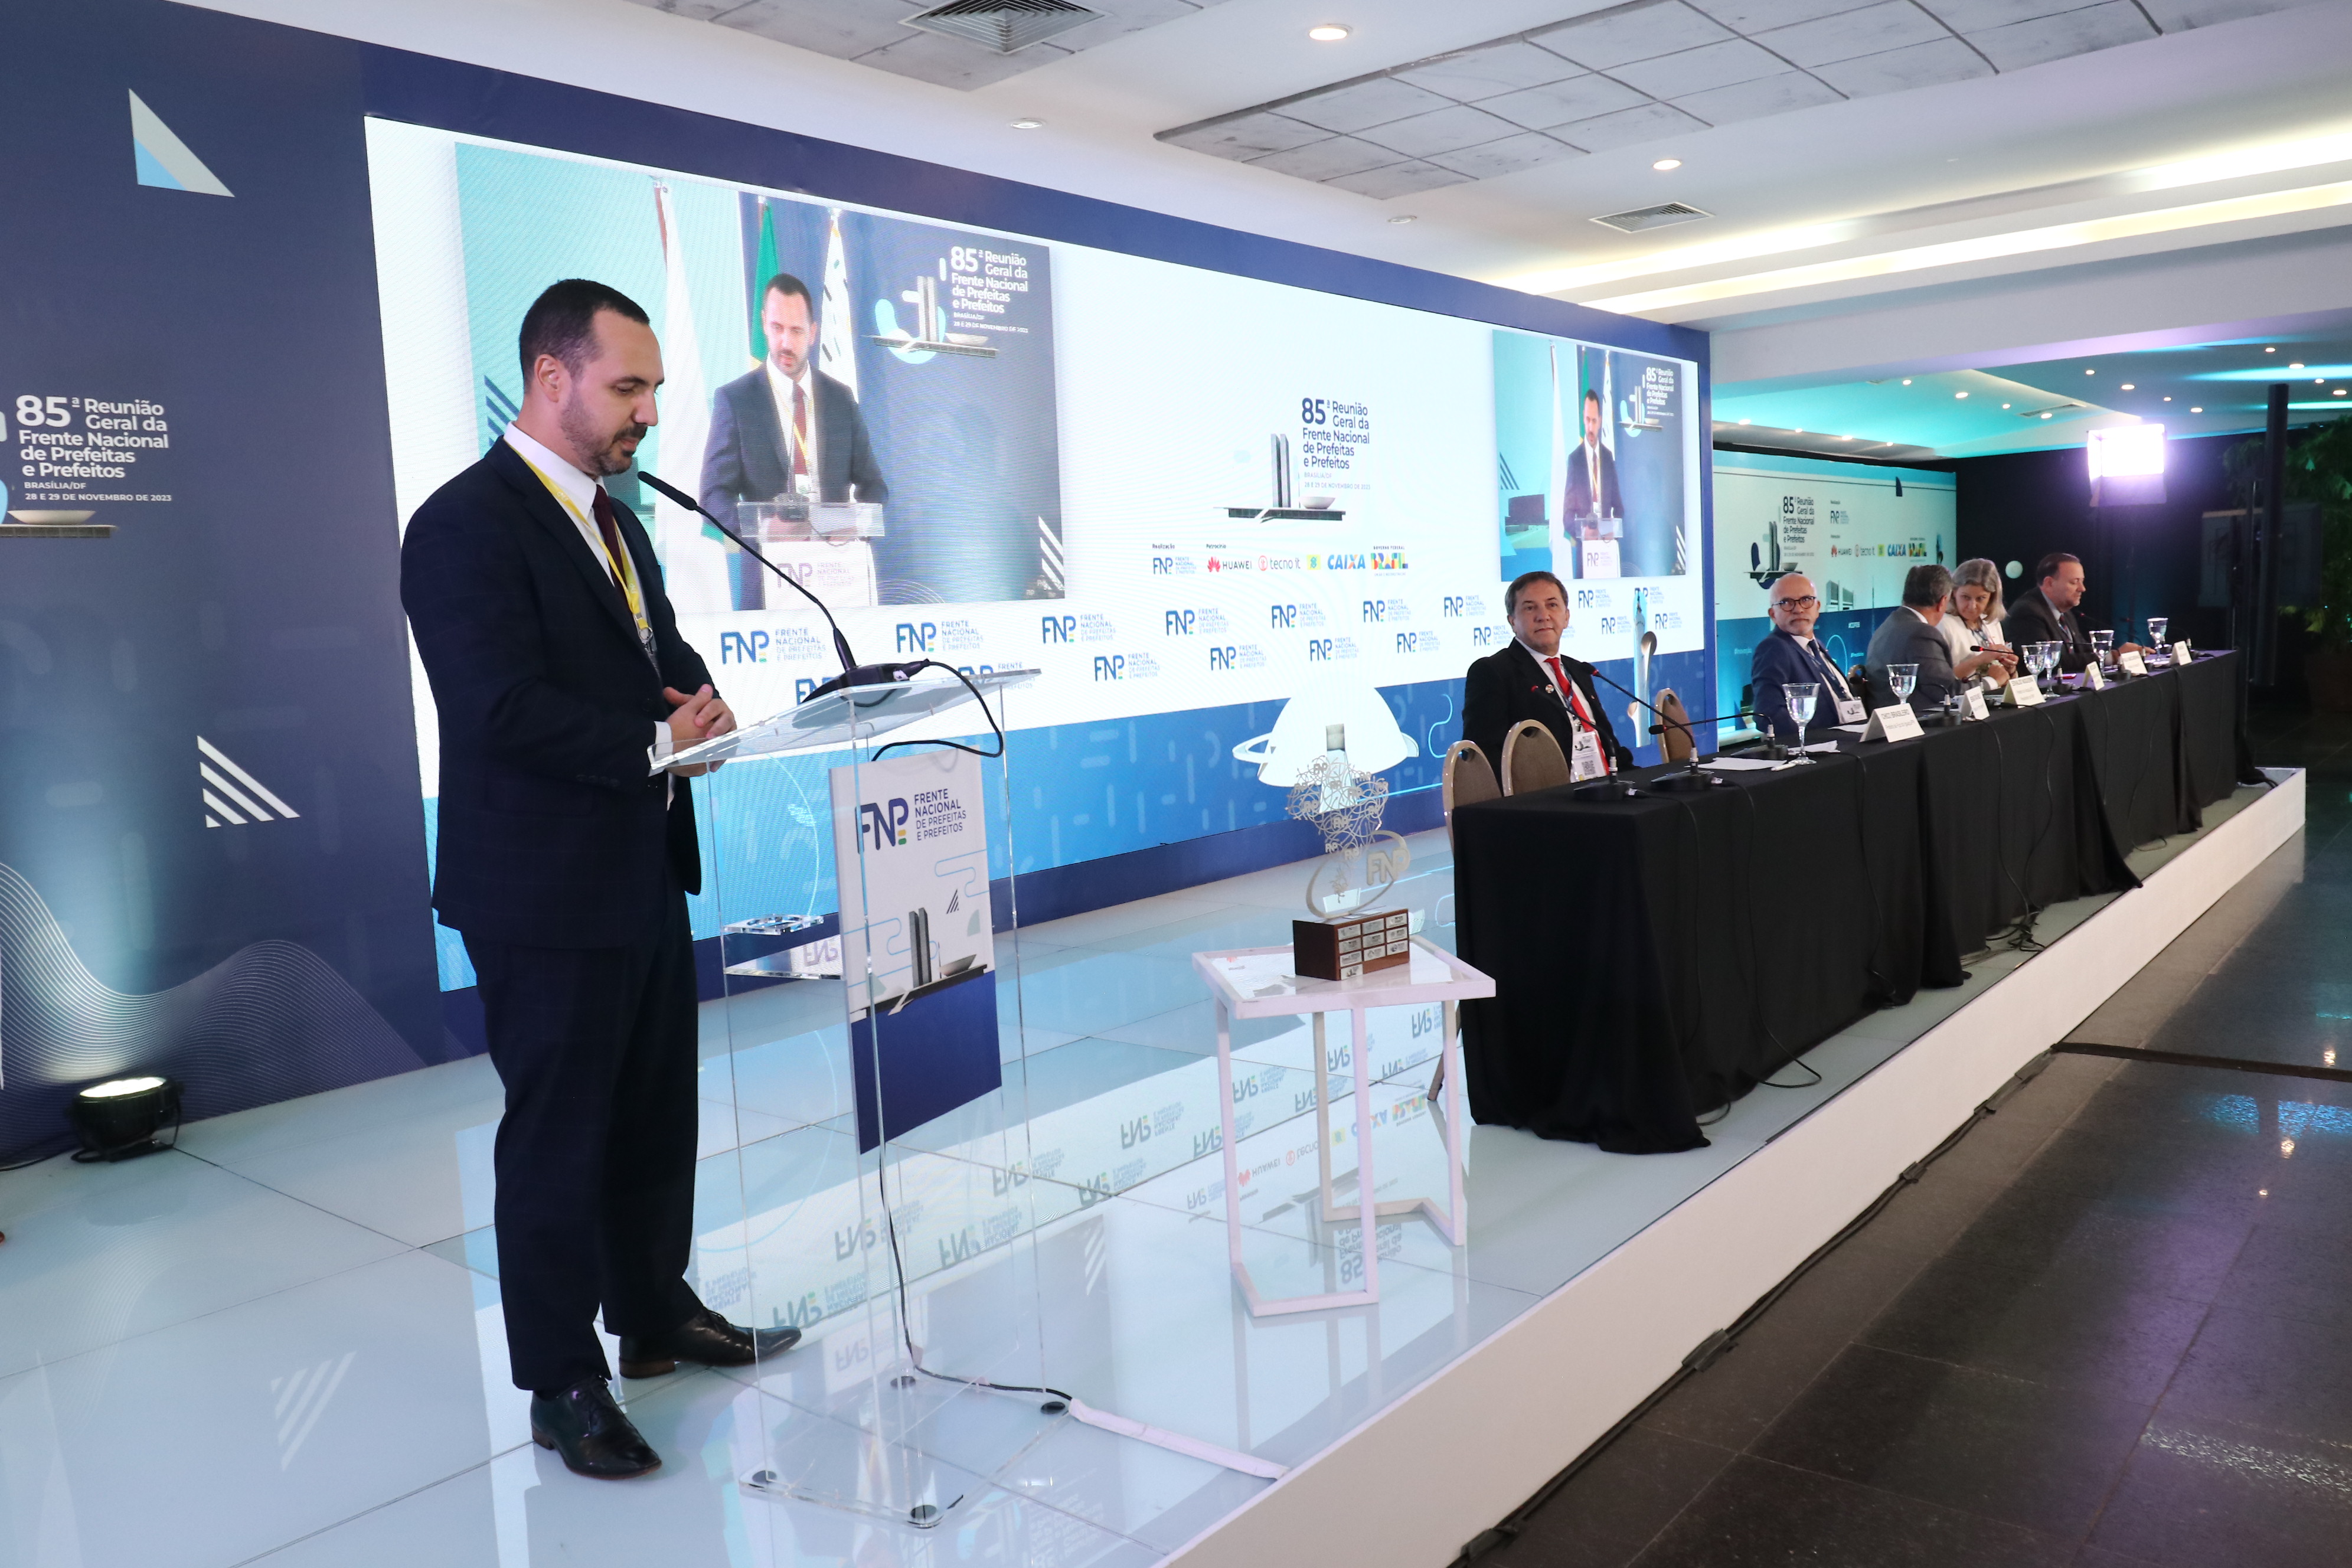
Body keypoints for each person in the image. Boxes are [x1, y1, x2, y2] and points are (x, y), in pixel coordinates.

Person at [402, 279, 799, 1484]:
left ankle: (653, 1311)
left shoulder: (618, 522)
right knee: (560, 1137)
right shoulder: (464, 524)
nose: (649, 413)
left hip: (637, 864)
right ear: (550, 377)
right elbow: (496, 706)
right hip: (539, 888)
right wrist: (647, 742)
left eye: (655, 390)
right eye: (629, 387)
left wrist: (698, 710)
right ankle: (561, 1379)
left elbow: (658, 657)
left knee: (653, 1114)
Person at [700, 272, 890, 605]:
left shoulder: (841, 399)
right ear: (764, 323)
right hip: (769, 580)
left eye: (796, 331)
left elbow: (874, 486)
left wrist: (854, 526)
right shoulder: (736, 400)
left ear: (813, 333)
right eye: (777, 328)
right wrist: (764, 528)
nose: (785, 343)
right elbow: (713, 496)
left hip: (838, 577)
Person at [1464, 570, 1630, 783]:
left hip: (1606, 789)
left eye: (1552, 605)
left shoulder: (1579, 670)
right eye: (1530, 608)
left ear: (1566, 617)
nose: (1543, 616)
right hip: (1550, 797)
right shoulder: (1493, 671)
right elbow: (1484, 757)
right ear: (1512, 621)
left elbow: (1610, 745)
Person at [1747, 572, 1864, 740]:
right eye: (1786, 603)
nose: (1799, 609)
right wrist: (1813, 740)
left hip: (1850, 739)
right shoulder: (1774, 648)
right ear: (1773, 614)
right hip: (1819, 748)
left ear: (1818, 607)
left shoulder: (1816, 645)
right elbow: (1768, 715)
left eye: (1806, 600)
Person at [2004, 553, 2143, 672]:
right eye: (2075, 582)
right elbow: (2049, 662)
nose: (2082, 588)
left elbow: (2082, 651)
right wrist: (2113, 656)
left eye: (2082, 581)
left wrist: (2122, 655)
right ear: (2049, 583)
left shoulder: (2064, 610)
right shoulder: (2027, 612)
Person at [1864, 563, 1964, 713]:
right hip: (1914, 720)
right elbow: (1946, 692)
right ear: (1943, 602)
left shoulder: (1890, 623)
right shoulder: (1921, 634)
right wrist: (1991, 681)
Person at [1940, 558, 2018, 690]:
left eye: (1981, 598)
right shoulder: (1944, 625)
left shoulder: (1991, 622)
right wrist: (1980, 660)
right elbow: (1940, 682)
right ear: (1953, 593)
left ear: (1992, 597)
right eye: (1966, 597)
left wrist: (2010, 668)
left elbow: (2003, 678)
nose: (1972, 606)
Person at [1559, 388, 1622, 530]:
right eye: (1588, 420)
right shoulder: (1575, 460)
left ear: (1600, 421)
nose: (1590, 427)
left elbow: (1619, 508)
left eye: (1594, 421)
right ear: (1583, 418)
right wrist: (1583, 531)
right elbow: (1567, 515)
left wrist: (1611, 531)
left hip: (1606, 541)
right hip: (1585, 541)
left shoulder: (1608, 458)